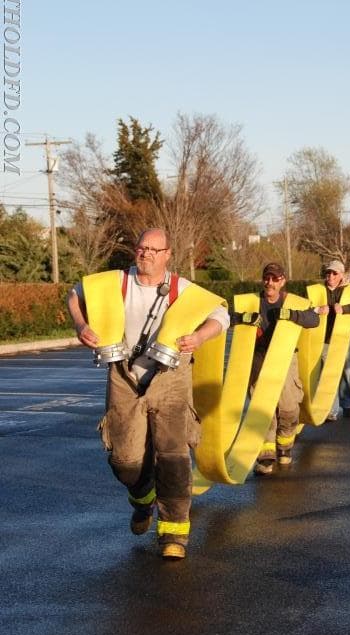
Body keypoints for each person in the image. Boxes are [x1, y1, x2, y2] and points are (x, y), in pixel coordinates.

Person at [67, 228, 230, 561]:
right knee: (125, 460)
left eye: (154, 250)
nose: (146, 254)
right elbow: (75, 294)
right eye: (142, 248)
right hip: (124, 374)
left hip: (170, 376)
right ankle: (142, 497)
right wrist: (81, 326)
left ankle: (174, 533)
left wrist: (199, 338)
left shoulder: (182, 289)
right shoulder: (116, 282)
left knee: (173, 457)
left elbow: (221, 315)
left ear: (167, 254)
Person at [231, 262, 319, 476]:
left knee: (289, 406)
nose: (270, 282)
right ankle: (265, 454)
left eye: (274, 279)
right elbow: (226, 318)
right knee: (263, 407)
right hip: (259, 358)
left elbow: (313, 319)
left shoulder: (292, 301)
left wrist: (292, 315)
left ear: (282, 281)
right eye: (266, 278)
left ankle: (284, 444)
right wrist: (242, 318)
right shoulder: (252, 302)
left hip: (286, 357)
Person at [317, 259, 350, 419]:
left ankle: (346, 404)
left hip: (346, 338)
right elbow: (305, 306)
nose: (330, 276)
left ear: (341, 275)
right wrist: (317, 309)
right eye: (328, 273)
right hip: (326, 339)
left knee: (345, 371)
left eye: (334, 273)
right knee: (328, 373)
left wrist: (345, 309)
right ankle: (331, 410)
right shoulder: (318, 291)